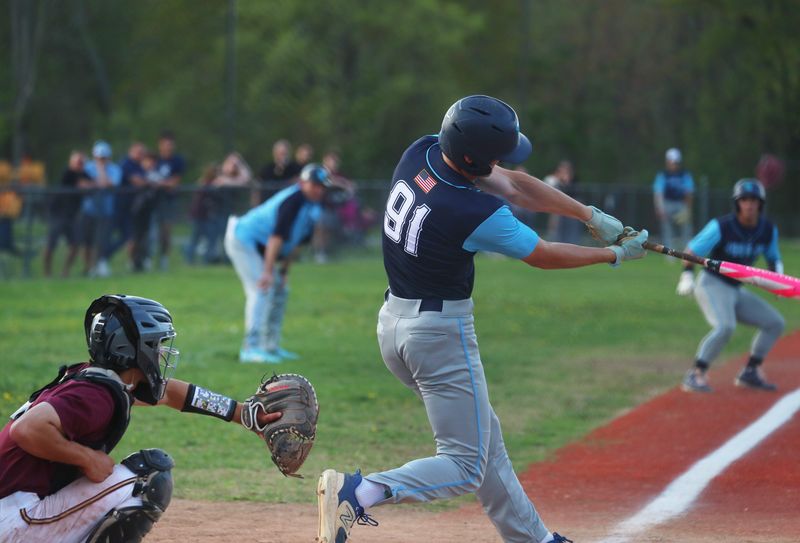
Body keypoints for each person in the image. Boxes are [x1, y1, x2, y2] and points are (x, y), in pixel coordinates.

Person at [315, 95, 647, 543]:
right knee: (465, 465)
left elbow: (514, 184)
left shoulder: (422, 152)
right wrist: (613, 253)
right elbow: (543, 255)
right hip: (438, 336)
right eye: (495, 156)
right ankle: (360, 492)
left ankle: (535, 540)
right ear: (474, 158)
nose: (503, 163)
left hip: (394, 324)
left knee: (484, 442)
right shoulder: (471, 211)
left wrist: (589, 216)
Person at [0, 294, 281, 542]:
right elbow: (27, 428)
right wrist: (86, 458)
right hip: (13, 521)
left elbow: (170, 393)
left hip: (14, 509)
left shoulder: (97, 380)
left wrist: (241, 413)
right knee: (148, 476)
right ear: (134, 349)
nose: (161, 353)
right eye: (156, 344)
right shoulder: (97, 396)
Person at [677, 178, 785, 393]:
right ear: (737, 203)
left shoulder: (767, 230)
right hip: (712, 283)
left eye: (754, 200)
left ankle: (751, 372)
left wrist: (779, 280)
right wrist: (687, 275)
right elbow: (691, 251)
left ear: (760, 204)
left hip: (736, 288)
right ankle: (696, 373)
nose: (749, 204)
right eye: (744, 200)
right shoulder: (722, 226)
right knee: (725, 327)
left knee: (775, 322)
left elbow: (773, 258)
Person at [225, 163, 332, 364]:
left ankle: (270, 347)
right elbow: (276, 238)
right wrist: (267, 272)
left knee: (281, 290)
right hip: (243, 239)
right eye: (314, 184)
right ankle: (250, 349)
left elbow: (297, 242)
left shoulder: (314, 206)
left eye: (322, 186)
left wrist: (283, 272)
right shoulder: (294, 201)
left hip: (262, 247)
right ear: (302, 183)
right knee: (261, 289)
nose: (319, 189)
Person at [42, 151, 92, 278]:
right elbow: (77, 183)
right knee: (51, 244)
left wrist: (86, 184)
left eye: (82, 162)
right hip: (58, 214)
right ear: (71, 162)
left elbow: (92, 184)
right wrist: (83, 184)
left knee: (75, 244)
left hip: (72, 216)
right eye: (77, 161)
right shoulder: (68, 172)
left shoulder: (84, 174)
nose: (80, 164)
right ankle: (47, 273)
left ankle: (65, 271)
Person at [78, 141, 122, 277]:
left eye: (103, 158)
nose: (101, 160)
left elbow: (108, 184)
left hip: (105, 212)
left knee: (103, 239)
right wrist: (98, 182)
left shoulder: (115, 169)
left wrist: (100, 172)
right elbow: (82, 184)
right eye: (98, 157)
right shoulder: (87, 168)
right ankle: (89, 267)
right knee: (87, 241)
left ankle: (101, 263)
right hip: (89, 210)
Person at [154, 130, 186, 271]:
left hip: (168, 200)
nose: (168, 147)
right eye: (166, 144)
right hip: (153, 200)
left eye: (170, 145)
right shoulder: (154, 159)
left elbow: (175, 182)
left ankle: (164, 258)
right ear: (160, 145)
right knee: (148, 231)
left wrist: (159, 183)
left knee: (166, 231)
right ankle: (145, 259)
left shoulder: (177, 161)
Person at [652, 147, 694, 250]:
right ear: (667, 162)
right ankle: (669, 254)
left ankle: (687, 252)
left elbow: (688, 193)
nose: (674, 164)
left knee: (686, 230)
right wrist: (660, 208)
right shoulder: (663, 175)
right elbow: (658, 193)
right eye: (672, 162)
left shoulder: (684, 174)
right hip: (667, 203)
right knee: (667, 231)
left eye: (676, 162)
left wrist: (687, 209)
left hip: (680, 204)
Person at [544, 160, 582, 244]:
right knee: (558, 234)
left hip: (572, 211)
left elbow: (573, 194)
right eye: (560, 170)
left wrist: (565, 182)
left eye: (564, 170)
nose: (562, 172)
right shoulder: (556, 181)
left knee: (571, 235)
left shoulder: (575, 181)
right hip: (560, 211)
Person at [254, 139, 301, 205]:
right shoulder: (266, 169)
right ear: (275, 153)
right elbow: (257, 186)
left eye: (285, 154)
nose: (283, 156)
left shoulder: (295, 168)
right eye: (281, 153)